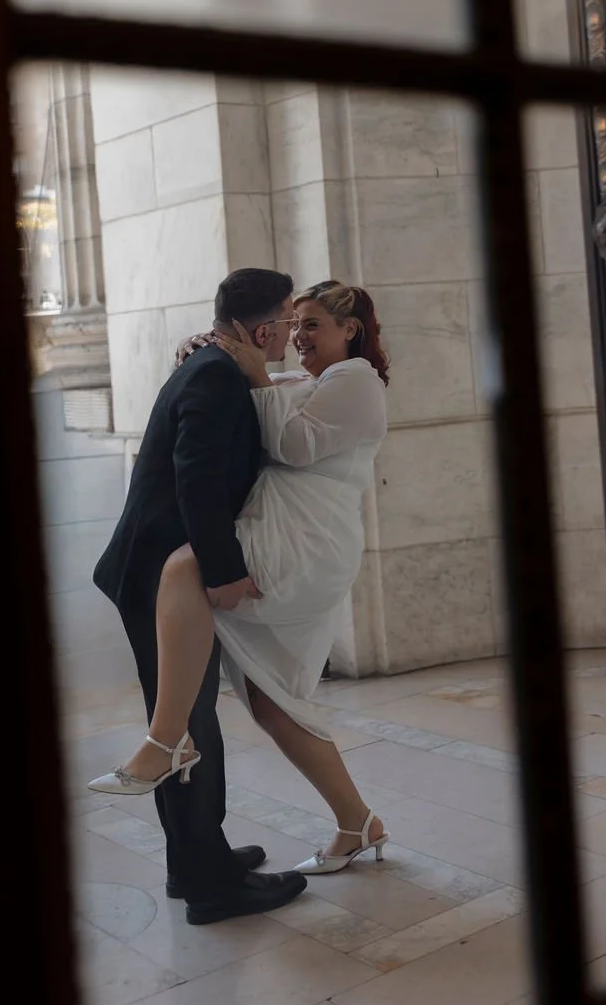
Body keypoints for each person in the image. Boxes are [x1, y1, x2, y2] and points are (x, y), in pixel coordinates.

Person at [93, 280, 392, 877]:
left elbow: (292, 444)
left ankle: (167, 740)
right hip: (282, 525)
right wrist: (209, 349)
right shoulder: (308, 379)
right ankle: (358, 823)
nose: (298, 336)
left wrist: (254, 373)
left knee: (185, 565)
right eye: (293, 322)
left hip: (305, 535)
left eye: (311, 324)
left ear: (350, 330)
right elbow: (251, 397)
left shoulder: (356, 379)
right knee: (271, 702)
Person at [90, 268, 308, 926]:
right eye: (288, 320)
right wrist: (223, 571)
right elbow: (198, 483)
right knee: (185, 729)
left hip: (159, 571)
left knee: (186, 724)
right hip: (159, 577)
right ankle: (211, 888)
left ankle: (194, 862)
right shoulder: (214, 376)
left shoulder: (215, 364)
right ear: (263, 330)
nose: (292, 334)